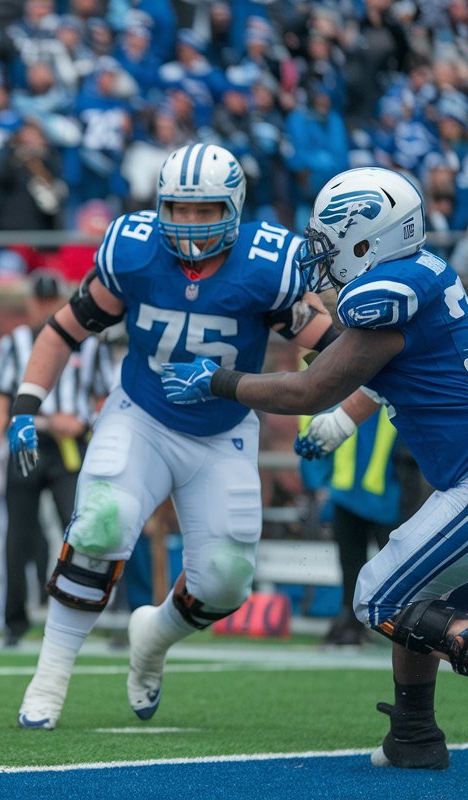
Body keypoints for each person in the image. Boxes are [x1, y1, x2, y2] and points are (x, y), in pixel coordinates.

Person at [7, 143, 337, 731]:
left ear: (233, 208)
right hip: (143, 414)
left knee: (228, 579)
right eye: (177, 209)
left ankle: (153, 638)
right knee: (101, 521)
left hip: (224, 431)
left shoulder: (269, 265)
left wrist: (344, 408)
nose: (187, 224)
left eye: (204, 210)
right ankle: (50, 676)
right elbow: (62, 331)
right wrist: (26, 405)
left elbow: (334, 350)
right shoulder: (133, 251)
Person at [161, 166, 468, 771]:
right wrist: (341, 421)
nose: (321, 257)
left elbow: (309, 390)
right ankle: (413, 735)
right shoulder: (424, 273)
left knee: (378, 598)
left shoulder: (389, 295)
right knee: (414, 587)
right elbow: (377, 371)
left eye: (330, 243)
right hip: (457, 480)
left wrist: (219, 380)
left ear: (366, 239)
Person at [0, 272, 113, 648]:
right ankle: (12, 622)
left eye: (50, 299)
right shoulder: (15, 342)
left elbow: (107, 399)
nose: (43, 307)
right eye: (38, 300)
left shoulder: (89, 345)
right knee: (16, 537)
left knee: (80, 533)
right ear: (29, 303)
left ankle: (79, 616)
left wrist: (83, 422)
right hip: (25, 443)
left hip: (70, 449)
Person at [297, 392, 400, 647]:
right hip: (348, 492)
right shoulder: (346, 375)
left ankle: (408, 626)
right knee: (352, 566)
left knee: (400, 568)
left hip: (390, 494)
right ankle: (351, 625)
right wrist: (319, 481)